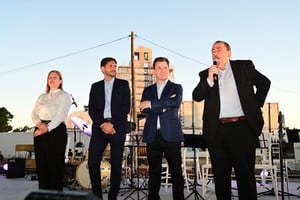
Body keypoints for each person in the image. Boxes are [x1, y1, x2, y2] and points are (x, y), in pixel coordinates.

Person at [192, 40, 271, 200]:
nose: (215, 52)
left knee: (245, 176)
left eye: (219, 49)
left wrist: (255, 106)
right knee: (221, 178)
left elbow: (264, 83)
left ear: (229, 52)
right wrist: (208, 79)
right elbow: (196, 96)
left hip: (242, 128)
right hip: (217, 132)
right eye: (212, 50)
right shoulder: (206, 74)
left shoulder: (244, 67)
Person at [139, 57, 185, 200]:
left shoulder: (176, 87)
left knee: (176, 171)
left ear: (168, 69)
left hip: (171, 135)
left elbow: (174, 102)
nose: (162, 70)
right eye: (159, 67)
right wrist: (164, 106)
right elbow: (143, 109)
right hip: (152, 135)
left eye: (165, 67)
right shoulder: (147, 90)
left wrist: (152, 104)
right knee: (154, 171)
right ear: (154, 71)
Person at [88, 57, 131, 200]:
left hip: (117, 127)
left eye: (115, 65)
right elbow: (92, 109)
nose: (114, 68)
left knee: (117, 163)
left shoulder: (123, 84)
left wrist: (113, 125)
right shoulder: (95, 86)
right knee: (92, 162)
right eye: (111, 65)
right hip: (100, 127)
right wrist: (103, 124)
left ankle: (112, 197)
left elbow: (126, 107)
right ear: (102, 69)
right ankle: (97, 196)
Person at [31, 70, 72, 191]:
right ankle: (43, 194)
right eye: (50, 77)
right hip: (39, 130)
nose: (52, 79)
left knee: (55, 166)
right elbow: (33, 113)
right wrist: (39, 124)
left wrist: (46, 128)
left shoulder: (64, 95)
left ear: (60, 81)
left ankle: (56, 195)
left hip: (56, 131)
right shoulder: (42, 96)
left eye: (55, 77)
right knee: (42, 166)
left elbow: (60, 116)